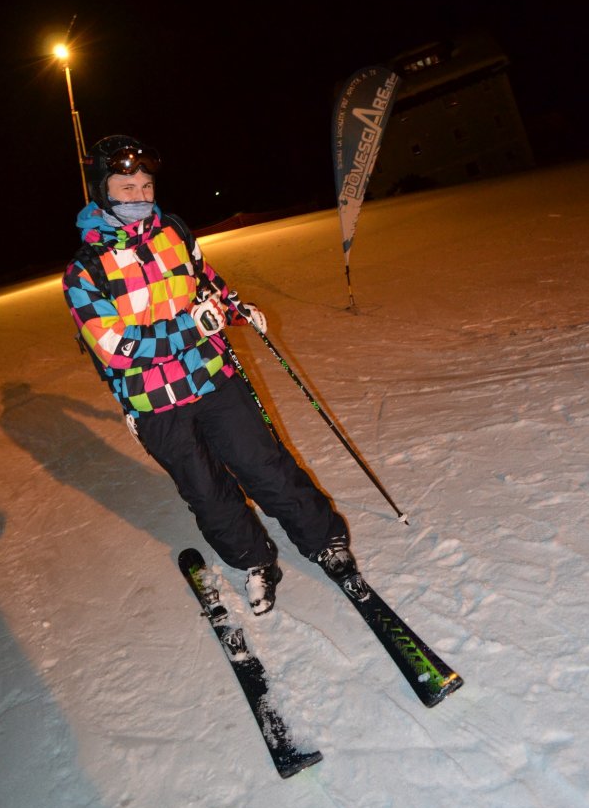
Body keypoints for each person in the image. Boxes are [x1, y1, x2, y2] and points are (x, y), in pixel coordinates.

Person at [62, 135, 364, 614]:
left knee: (263, 463)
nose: (140, 196)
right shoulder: (85, 273)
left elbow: (205, 282)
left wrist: (235, 308)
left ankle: (323, 540)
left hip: (211, 376)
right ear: (102, 190)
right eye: (126, 186)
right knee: (206, 490)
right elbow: (117, 349)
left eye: (146, 185)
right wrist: (189, 328)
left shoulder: (174, 232)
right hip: (154, 403)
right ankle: (253, 561)